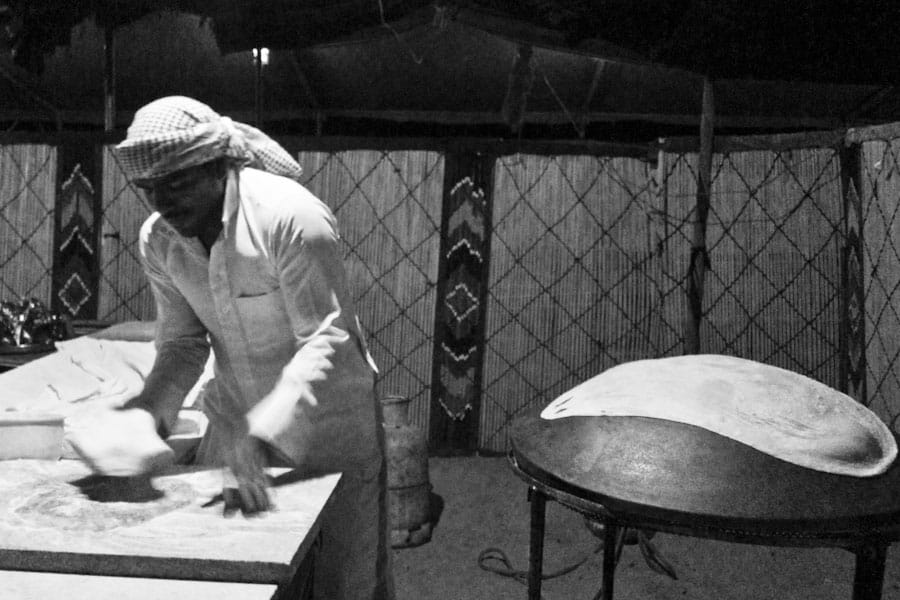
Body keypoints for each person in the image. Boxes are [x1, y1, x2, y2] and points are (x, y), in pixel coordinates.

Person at [69, 96, 394, 600]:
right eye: (150, 189)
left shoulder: (288, 216)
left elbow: (326, 336)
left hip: (329, 431)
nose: (162, 202)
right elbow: (181, 343)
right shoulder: (160, 240)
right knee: (240, 581)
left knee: (338, 580)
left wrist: (265, 433)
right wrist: (149, 412)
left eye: (176, 183)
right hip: (236, 429)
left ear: (219, 166)